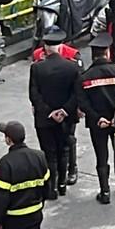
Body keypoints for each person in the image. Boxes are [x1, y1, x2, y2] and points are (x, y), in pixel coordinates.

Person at [78, 33, 115, 204]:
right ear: (108, 52)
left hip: (98, 124)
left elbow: (83, 103)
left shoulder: (85, 77)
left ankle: (105, 191)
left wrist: (99, 118)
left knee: (101, 157)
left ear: (93, 55)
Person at [29, 31, 81, 199]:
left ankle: (51, 188)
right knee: (64, 151)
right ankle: (62, 184)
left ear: (45, 48)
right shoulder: (72, 67)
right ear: (60, 47)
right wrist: (64, 111)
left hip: (44, 119)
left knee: (49, 153)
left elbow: (34, 95)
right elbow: (77, 94)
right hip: (66, 118)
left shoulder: (37, 68)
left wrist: (49, 112)